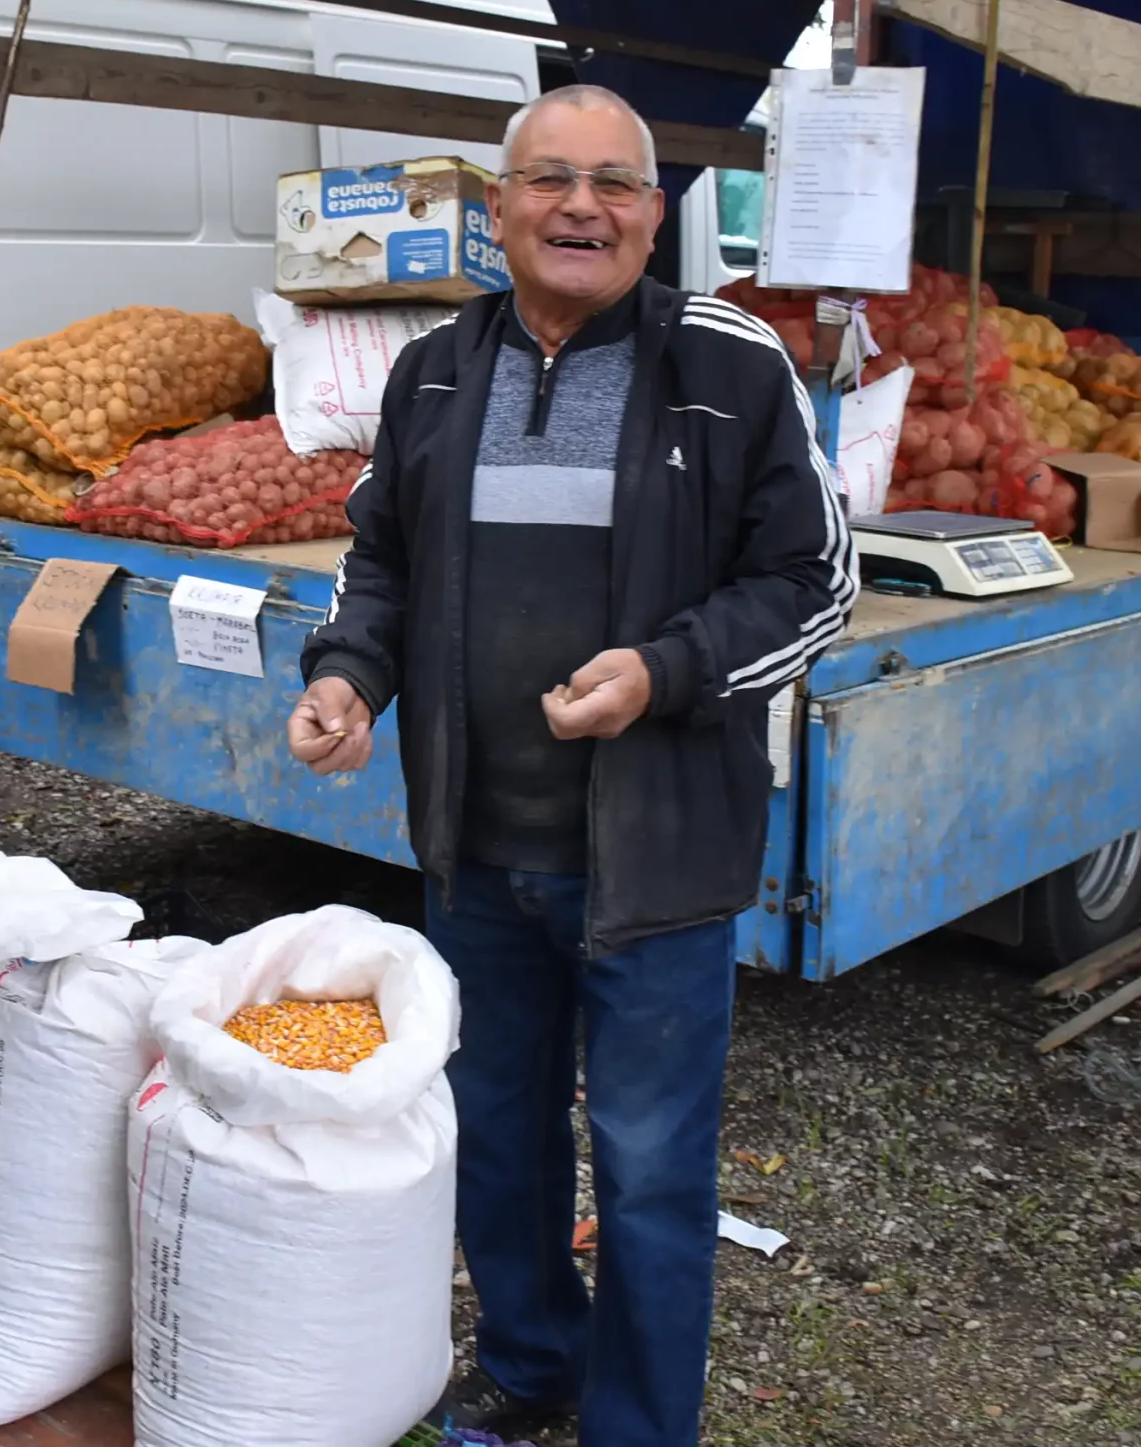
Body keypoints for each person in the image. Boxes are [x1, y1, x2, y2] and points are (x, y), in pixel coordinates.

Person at [289, 84, 855, 1446]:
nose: (581, 206)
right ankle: (533, 1361)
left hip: (654, 853)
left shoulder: (726, 367)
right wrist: (347, 673)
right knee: (497, 1134)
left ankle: (640, 1423)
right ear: (498, 212)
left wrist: (662, 669)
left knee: (652, 1167)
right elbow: (387, 565)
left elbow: (814, 580)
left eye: (614, 182)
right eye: (549, 180)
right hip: (479, 844)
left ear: (657, 215)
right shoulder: (433, 371)